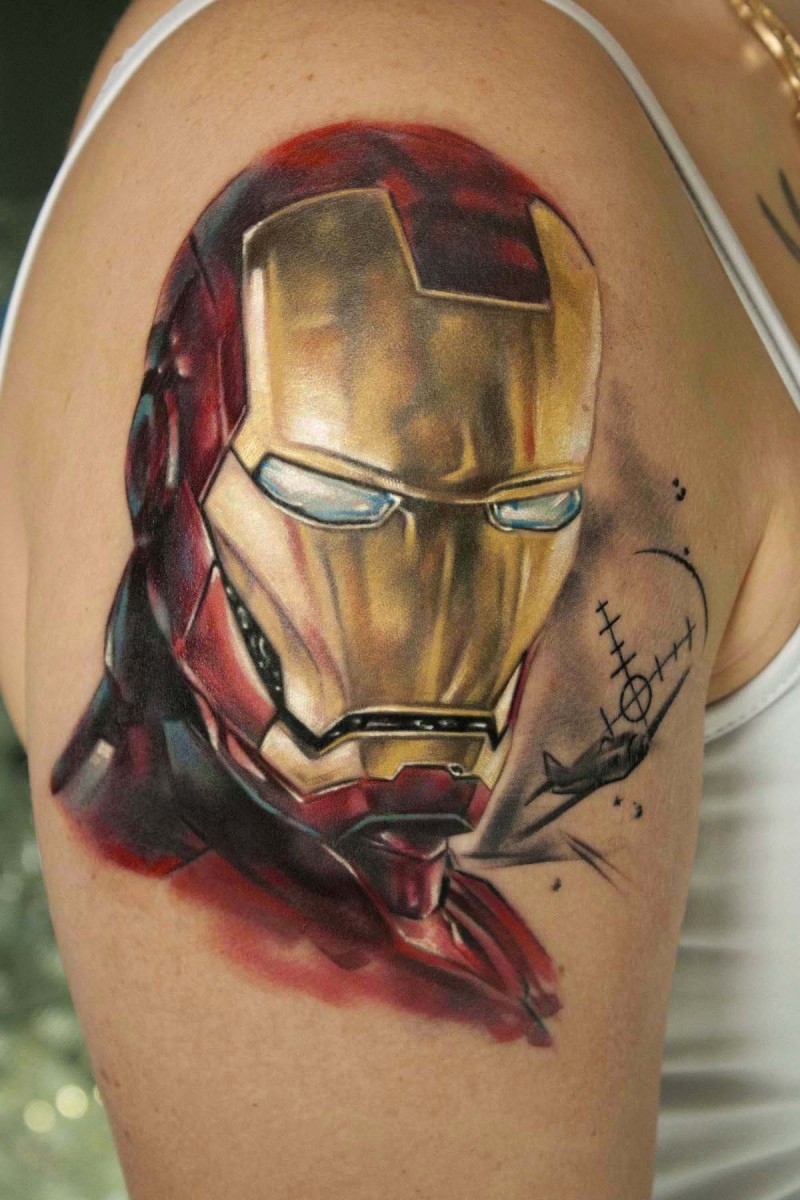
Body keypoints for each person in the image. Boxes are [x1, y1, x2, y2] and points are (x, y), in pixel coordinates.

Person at [0, 2, 798, 1197]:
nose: (436, 612)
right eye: (343, 498)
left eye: (527, 510)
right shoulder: (392, 56)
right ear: (167, 450)